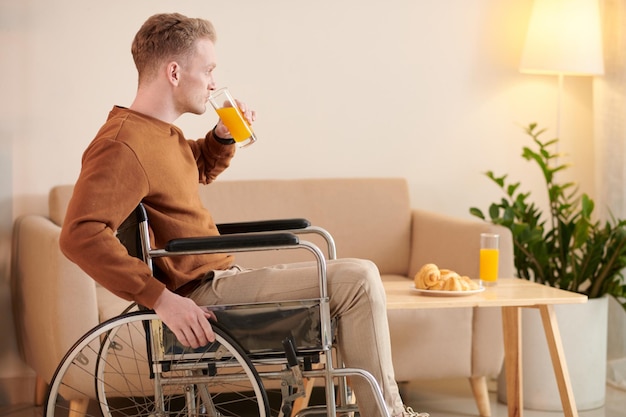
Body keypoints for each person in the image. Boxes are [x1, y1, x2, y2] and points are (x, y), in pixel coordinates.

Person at [59, 12, 428, 417]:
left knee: (350, 280)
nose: (215, 83)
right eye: (209, 70)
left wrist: (219, 139)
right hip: (200, 292)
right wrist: (160, 299)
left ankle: (376, 410)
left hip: (222, 278)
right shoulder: (122, 143)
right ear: (175, 72)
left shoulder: (161, 132)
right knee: (358, 279)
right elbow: (79, 234)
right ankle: (388, 414)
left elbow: (190, 170)